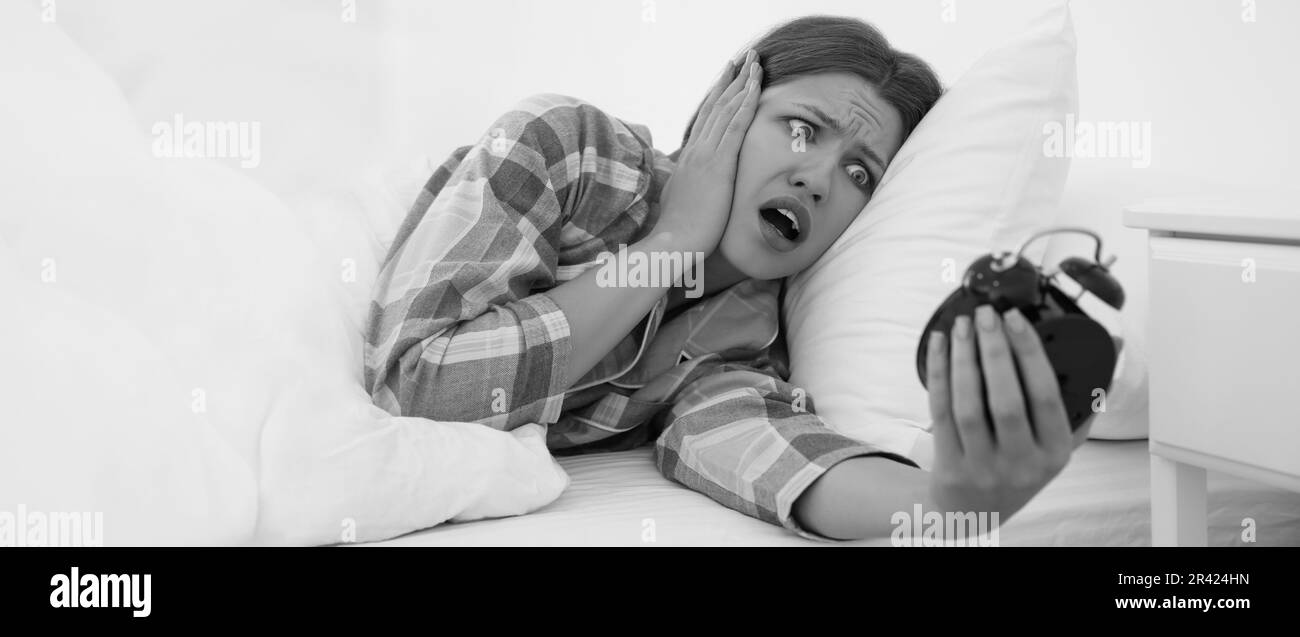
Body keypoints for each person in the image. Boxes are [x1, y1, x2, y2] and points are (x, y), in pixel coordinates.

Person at [363, 15, 1091, 541]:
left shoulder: (742, 340)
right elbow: (419, 385)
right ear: (727, 105)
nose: (816, 179)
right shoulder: (570, 149)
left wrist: (949, 502)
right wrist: (672, 241)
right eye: (803, 128)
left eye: (859, 173)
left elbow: (766, 453)